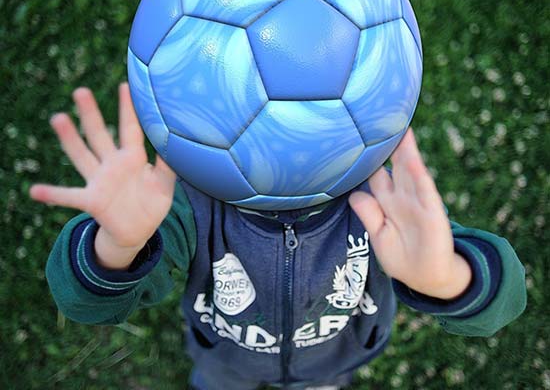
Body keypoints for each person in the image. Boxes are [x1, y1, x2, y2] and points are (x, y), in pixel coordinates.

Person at [30, 84, 527, 390]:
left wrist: (447, 278)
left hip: (337, 355)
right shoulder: (186, 203)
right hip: (225, 358)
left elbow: (501, 301)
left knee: (326, 380)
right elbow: (85, 304)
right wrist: (117, 245)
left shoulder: (382, 209)